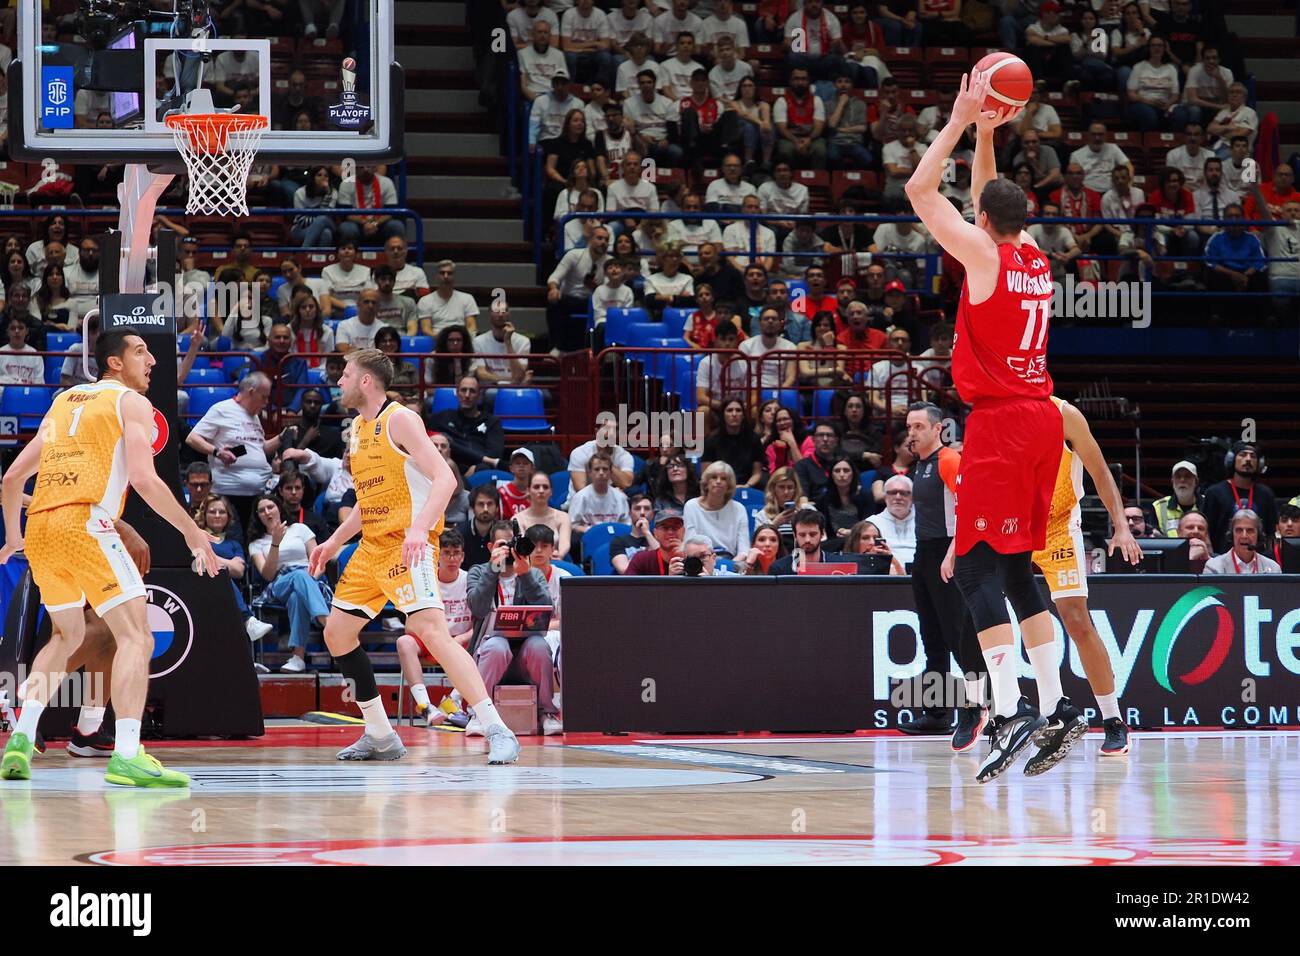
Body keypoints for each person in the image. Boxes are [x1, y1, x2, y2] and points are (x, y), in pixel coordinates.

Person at [906, 70, 1066, 784]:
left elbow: (919, 190)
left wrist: (960, 117)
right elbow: (985, 198)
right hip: (1041, 421)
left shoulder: (982, 254)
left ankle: (1006, 709)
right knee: (1017, 567)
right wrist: (988, 132)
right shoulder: (1035, 255)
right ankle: (1057, 704)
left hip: (1000, 425)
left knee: (971, 566)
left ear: (984, 224)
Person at [1, 328, 220, 786]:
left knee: (66, 636)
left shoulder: (64, 402)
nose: (152, 361)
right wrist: (193, 532)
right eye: (141, 352)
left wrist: (12, 538)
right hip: (86, 523)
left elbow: (12, 479)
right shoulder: (131, 402)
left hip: (42, 527)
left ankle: (20, 737)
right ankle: (126, 753)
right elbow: (144, 479)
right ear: (114, 363)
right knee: (136, 637)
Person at [306, 349, 521, 764]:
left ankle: (496, 727)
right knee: (337, 634)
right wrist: (333, 542)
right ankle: (381, 734)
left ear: (366, 380)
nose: (339, 381)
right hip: (371, 548)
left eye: (346, 374)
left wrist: (420, 528)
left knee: (429, 630)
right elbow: (369, 504)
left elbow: (446, 478)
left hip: (409, 543)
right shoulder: (357, 429)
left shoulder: (400, 419)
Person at [1025, 398, 1144, 769]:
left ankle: (1112, 719)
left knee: (1076, 621)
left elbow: (1100, 471)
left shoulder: (1064, 414)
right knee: (988, 612)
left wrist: (1121, 526)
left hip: (1059, 527)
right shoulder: (999, 416)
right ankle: (997, 713)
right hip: (1014, 527)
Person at [897, 403, 986, 745]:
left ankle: (975, 708)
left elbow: (971, 505)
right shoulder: (919, 466)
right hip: (925, 552)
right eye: (909, 426)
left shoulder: (949, 460)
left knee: (958, 636)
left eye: (919, 426)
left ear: (937, 430)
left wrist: (953, 553)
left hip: (949, 553)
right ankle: (937, 714)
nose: (912, 432)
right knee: (932, 637)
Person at [466, 520, 561, 735]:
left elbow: (546, 611)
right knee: (497, 645)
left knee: (538, 645)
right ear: (491, 548)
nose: (508, 550)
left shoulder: (532, 573)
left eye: (511, 543)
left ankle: (546, 712)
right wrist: (493, 569)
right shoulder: (478, 572)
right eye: (502, 544)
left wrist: (525, 575)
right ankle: (478, 713)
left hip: (525, 656)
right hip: (490, 654)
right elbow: (478, 608)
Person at [185, 371, 281, 530]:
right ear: (251, 392)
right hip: (229, 495)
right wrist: (217, 452)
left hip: (257, 494)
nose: (266, 402)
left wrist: (282, 438)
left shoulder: (254, 417)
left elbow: (260, 449)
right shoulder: (221, 409)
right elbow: (192, 438)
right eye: (264, 397)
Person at [397, 528, 473, 726]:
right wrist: (434, 638)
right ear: (437, 556)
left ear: (463, 556)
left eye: (456, 552)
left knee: (486, 643)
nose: (451, 558)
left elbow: (481, 624)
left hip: (461, 643)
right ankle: (425, 706)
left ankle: (452, 701)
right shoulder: (424, 581)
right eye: (446, 553)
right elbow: (410, 626)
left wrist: (462, 639)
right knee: (404, 642)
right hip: (430, 640)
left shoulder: (470, 580)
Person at [247, 494, 329, 674]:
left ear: (279, 508)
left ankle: (298, 658)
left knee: (297, 597)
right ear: (258, 516)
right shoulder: (256, 543)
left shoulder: (300, 528)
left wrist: (311, 580)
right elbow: (268, 575)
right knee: (298, 576)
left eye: (270, 507)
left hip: (309, 579)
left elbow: (318, 561)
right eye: (261, 510)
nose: (267, 512)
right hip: (279, 584)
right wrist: (275, 543)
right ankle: (328, 623)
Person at [195, 493, 276, 643]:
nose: (217, 515)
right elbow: (195, 563)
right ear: (204, 515)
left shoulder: (234, 544)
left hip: (227, 596)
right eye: (212, 512)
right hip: (199, 589)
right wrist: (227, 563)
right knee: (220, 573)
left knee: (220, 574)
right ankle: (247, 619)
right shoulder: (196, 538)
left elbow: (239, 571)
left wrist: (210, 558)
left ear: (228, 516)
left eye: (222, 512)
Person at [1200, 442, 1277, 553]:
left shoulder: (1266, 494)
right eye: (1243, 454)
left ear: (1259, 464)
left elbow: (1271, 534)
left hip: (1258, 561)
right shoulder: (1215, 493)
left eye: (1253, 456)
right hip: (1222, 560)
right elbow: (1206, 531)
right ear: (1232, 460)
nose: (1248, 459)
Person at [429, 375, 506, 476]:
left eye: (472, 391)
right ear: (457, 393)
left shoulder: (492, 422)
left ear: (479, 396)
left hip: (477, 472)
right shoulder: (441, 418)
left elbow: (494, 457)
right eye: (463, 390)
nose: (467, 395)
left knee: (484, 469)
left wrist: (475, 468)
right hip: (448, 471)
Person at [683, 461, 750, 558]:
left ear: (729, 485)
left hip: (731, 562)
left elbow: (744, 550)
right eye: (714, 477)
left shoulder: (739, 509)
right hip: (701, 559)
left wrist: (731, 566)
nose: (718, 481)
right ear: (706, 482)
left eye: (723, 479)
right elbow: (690, 544)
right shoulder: (691, 506)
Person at [702, 398, 765, 489]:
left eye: (738, 410)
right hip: (719, 487)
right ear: (723, 415)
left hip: (747, 487)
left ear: (743, 415)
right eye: (729, 410)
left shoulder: (754, 439)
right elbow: (706, 473)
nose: (734, 414)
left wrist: (746, 486)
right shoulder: (711, 440)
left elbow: (757, 473)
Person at [569, 451, 632, 536]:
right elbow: (573, 525)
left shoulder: (620, 497)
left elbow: (626, 524)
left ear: (610, 473)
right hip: (589, 536)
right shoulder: (580, 497)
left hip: (615, 537)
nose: (601, 473)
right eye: (597, 469)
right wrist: (594, 531)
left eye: (605, 469)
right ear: (590, 473)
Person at [513, 471, 573, 559]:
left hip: (556, 560)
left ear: (551, 491)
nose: (541, 491)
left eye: (545, 487)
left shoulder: (563, 517)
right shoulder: (517, 519)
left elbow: (565, 543)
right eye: (536, 487)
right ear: (528, 490)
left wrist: (560, 554)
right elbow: (522, 547)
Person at [1204, 509, 1281, 575]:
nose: (1244, 536)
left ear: (1258, 535)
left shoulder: (1273, 568)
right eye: (1239, 530)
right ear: (1231, 535)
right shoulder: (1214, 567)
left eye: (1250, 531)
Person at [767, 509, 834, 574]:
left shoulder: (839, 564)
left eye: (813, 534)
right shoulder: (779, 569)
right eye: (802, 535)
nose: (807, 540)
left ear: (822, 534)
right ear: (795, 535)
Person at [624, 509, 689, 575]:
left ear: (683, 531)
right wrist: (670, 580)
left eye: (675, 527)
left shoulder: (694, 557)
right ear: (655, 533)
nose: (670, 532)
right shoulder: (641, 559)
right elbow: (625, 585)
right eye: (665, 528)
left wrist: (685, 559)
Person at [610, 494, 657, 573]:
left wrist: (647, 533)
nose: (642, 513)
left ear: (652, 514)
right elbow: (625, 571)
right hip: (630, 584)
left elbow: (663, 562)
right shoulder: (618, 542)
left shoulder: (658, 539)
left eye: (647, 508)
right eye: (637, 508)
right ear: (630, 513)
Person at [459, 484, 502, 569]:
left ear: (497, 508)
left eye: (490, 504)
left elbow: (503, 568)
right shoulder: (460, 533)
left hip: (496, 580)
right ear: (472, 507)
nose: (485, 509)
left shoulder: (502, 533)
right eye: (481, 504)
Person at [499, 448, 537, 519]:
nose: (521, 466)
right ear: (511, 468)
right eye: (517, 463)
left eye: (525, 463)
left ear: (532, 468)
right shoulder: (501, 492)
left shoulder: (537, 493)